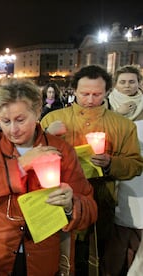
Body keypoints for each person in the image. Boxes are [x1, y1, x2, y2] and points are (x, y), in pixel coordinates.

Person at [0, 78, 97, 275]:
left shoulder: (61, 150)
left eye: (20, 120)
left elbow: (89, 207)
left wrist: (71, 206)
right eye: (6, 121)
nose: (13, 130)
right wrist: (21, 164)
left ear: (37, 112)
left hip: (42, 255)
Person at [41, 65, 143, 275]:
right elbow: (31, 156)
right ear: (74, 91)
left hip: (102, 201)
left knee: (96, 257)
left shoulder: (122, 125)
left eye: (96, 94)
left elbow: (135, 164)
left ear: (107, 92)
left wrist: (110, 163)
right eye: (84, 93)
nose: (89, 100)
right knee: (60, 257)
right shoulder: (53, 119)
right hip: (59, 200)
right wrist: (46, 137)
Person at [103, 65, 143, 274]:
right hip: (115, 175)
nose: (128, 86)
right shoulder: (106, 105)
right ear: (115, 84)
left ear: (139, 83)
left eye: (132, 82)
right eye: (123, 82)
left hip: (140, 176)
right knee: (116, 231)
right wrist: (115, 115)